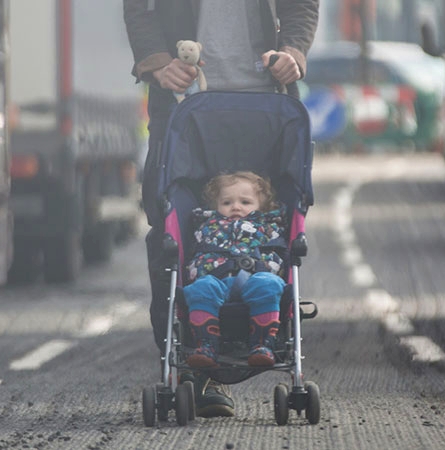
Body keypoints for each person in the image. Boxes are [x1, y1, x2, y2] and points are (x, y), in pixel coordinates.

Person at [123, 0, 319, 418]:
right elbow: (139, 8)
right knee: (171, 236)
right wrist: (157, 64)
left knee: (268, 231)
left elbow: (301, 5)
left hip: (269, 106)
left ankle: (259, 340)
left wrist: (294, 53)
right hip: (184, 105)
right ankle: (196, 373)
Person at [185, 171, 286, 368]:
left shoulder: (268, 227)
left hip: (255, 277)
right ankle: (206, 345)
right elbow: (195, 253)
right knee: (200, 288)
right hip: (216, 278)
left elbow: (278, 254)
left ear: (262, 206)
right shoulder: (206, 226)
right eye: (227, 203)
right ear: (215, 206)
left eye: (245, 202)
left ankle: (262, 344)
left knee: (269, 284)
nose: (236, 207)